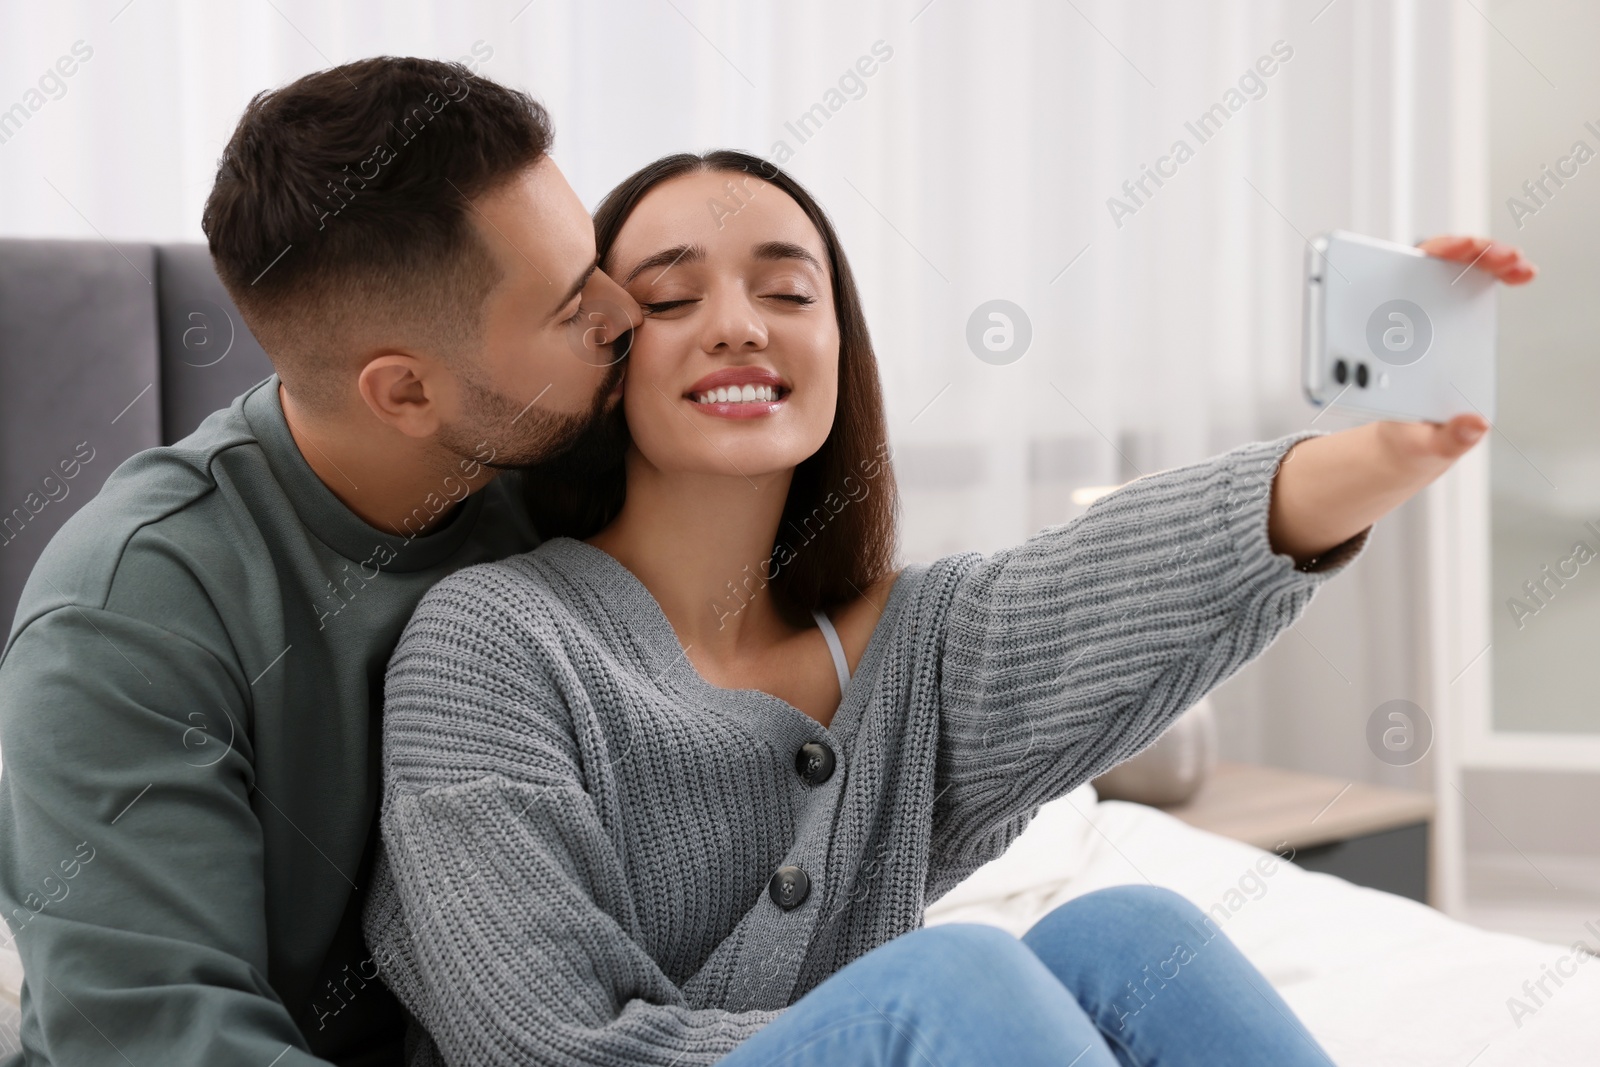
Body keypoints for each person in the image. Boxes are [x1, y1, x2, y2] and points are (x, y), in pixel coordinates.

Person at [359, 150, 1531, 1066]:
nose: (738, 322)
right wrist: (905, 1022)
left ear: (836, 344)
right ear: (606, 360)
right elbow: (535, 1042)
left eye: (786, 288)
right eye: (671, 297)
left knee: (1131, 936)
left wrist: (1389, 450)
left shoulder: (912, 645)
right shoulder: (492, 642)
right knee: (958, 975)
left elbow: (1123, 579)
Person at [0, 58, 640, 1065]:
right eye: (570, 309)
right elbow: (161, 1033)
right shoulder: (122, 615)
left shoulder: (559, 474)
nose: (625, 311)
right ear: (406, 393)